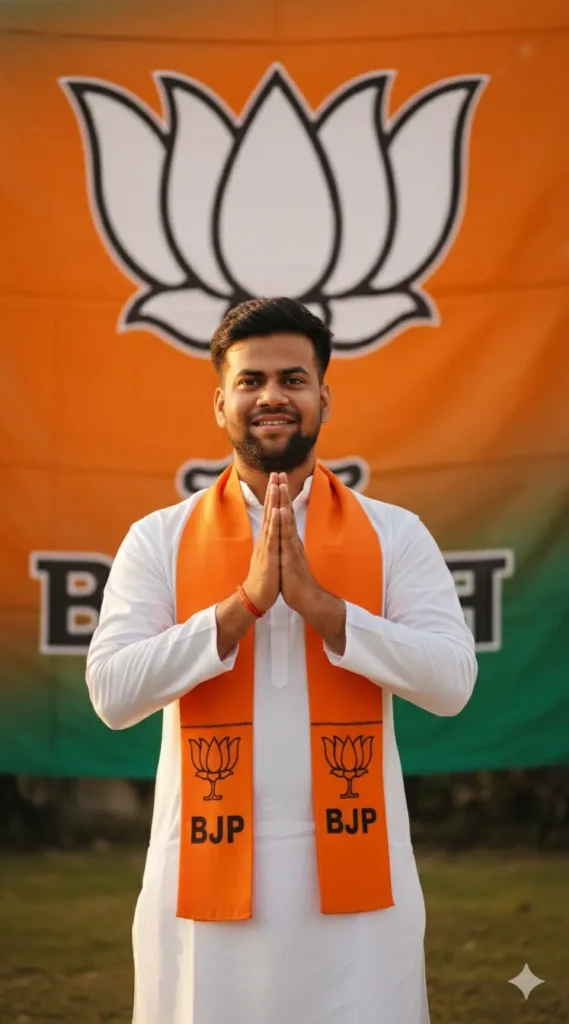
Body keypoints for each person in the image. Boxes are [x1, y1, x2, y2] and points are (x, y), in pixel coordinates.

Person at [86, 296, 478, 1024]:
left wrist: (326, 610)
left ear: (323, 397)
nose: (272, 395)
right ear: (220, 403)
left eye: (293, 379)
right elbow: (112, 694)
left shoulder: (394, 534)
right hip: (200, 883)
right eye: (250, 380)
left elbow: (452, 683)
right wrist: (241, 607)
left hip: (359, 895)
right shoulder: (158, 539)